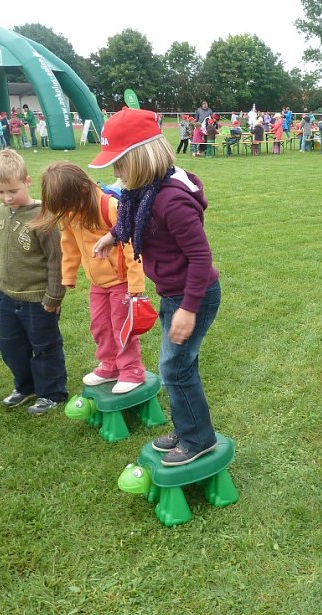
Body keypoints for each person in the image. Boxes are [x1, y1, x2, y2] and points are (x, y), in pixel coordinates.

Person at [90, 108, 221, 467]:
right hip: (175, 293)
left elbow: (200, 258)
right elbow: (134, 219)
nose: (116, 174)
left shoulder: (171, 201)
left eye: (120, 164)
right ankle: (189, 425)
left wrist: (188, 309)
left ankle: (198, 439)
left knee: (174, 369)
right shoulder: (146, 191)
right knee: (180, 367)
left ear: (141, 157)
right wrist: (113, 236)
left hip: (192, 295)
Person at [36, 161, 146, 394]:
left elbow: (131, 245)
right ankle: (110, 366)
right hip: (97, 284)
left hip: (121, 283)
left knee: (121, 327)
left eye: (68, 204)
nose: (67, 212)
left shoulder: (110, 206)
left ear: (83, 190)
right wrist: (68, 275)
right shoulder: (70, 213)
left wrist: (136, 282)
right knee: (100, 326)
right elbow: (69, 245)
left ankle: (132, 370)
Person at [0, 150, 67, 415]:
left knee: (45, 347)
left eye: (13, 190)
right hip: (7, 296)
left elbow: (57, 259)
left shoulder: (44, 216)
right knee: (10, 346)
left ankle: (51, 393)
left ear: (27, 181)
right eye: (0, 192)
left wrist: (53, 296)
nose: (8, 198)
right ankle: (25, 387)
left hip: (39, 299)